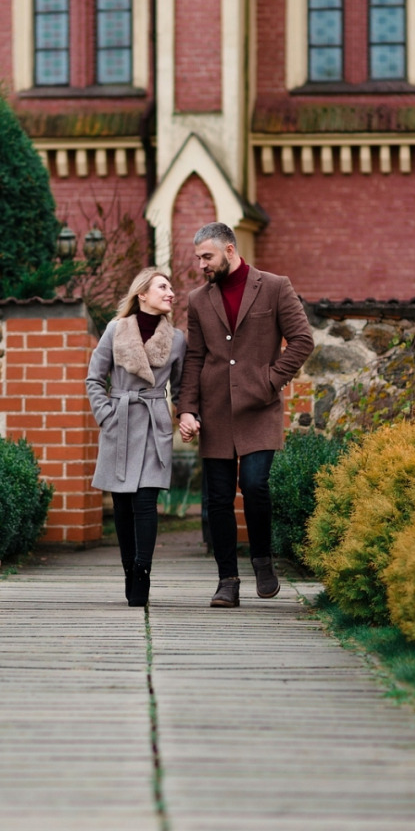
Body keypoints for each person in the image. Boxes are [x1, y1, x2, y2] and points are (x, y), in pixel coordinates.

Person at [177, 223, 313, 608]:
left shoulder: (274, 286)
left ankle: (262, 561)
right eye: (199, 258)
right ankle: (227, 581)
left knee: (254, 485)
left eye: (208, 257)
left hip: (260, 407)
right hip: (215, 409)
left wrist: (270, 380)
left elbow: (302, 340)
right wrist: (187, 408)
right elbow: (195, 358)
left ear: (230, 251)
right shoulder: (199, 299)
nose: (202, 264)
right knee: (218, 498)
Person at [86, 268, 188, 607]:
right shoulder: (116, 329)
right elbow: (94, 378)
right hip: (121, 420)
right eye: (162, 286)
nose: (170, 292)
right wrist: (106, 415)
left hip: (153, 423)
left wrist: (185, 415)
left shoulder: (177, 339)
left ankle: (143, 570)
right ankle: (128, 569)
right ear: (142, 293)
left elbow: (183, 386)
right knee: (122, 505)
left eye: (171, 287)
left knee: (145, 501)